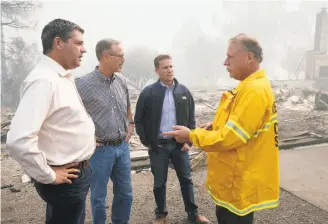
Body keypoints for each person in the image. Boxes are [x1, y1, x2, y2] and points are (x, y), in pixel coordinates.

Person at [163, 34, 280, 224]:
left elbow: (230, 137)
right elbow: (241, 125)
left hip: (239, 181)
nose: (225, 62)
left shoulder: (254, 91)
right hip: (234, 179)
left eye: (230, 57)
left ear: (249, 57)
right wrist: (214, 126)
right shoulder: (248, 87)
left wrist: (192, 135)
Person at [6, 19, 95, 224]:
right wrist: (48, 175)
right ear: (58, 43)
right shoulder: (44, 81)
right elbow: (19, 140)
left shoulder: (61, 77)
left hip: (75, 173)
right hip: (65, 179)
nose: (84, 49)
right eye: (79, 43)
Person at [134, 54, 209, 224]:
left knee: (187, 180)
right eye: (165, 67)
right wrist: (148, 142)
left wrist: (188, 141)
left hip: (179, 146)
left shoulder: (183, 91)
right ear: (157, 70)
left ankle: (193, 214)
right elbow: (139, 119)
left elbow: (191, 120)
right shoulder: (148, 93)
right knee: (159, 182)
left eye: (171, 67)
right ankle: (161, 215)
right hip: (158, 146)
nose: (169, 70)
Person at [75, 38, 133, 224]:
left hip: (122, 147)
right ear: (106, 56)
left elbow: (127, 107)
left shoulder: (122, 80)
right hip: (99, 151)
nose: (123, 59)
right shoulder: (81, 84)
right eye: (120, 56)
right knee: (98, 199)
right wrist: (87, 139)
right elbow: (73, 115)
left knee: (126, 195)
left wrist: (130, 126)